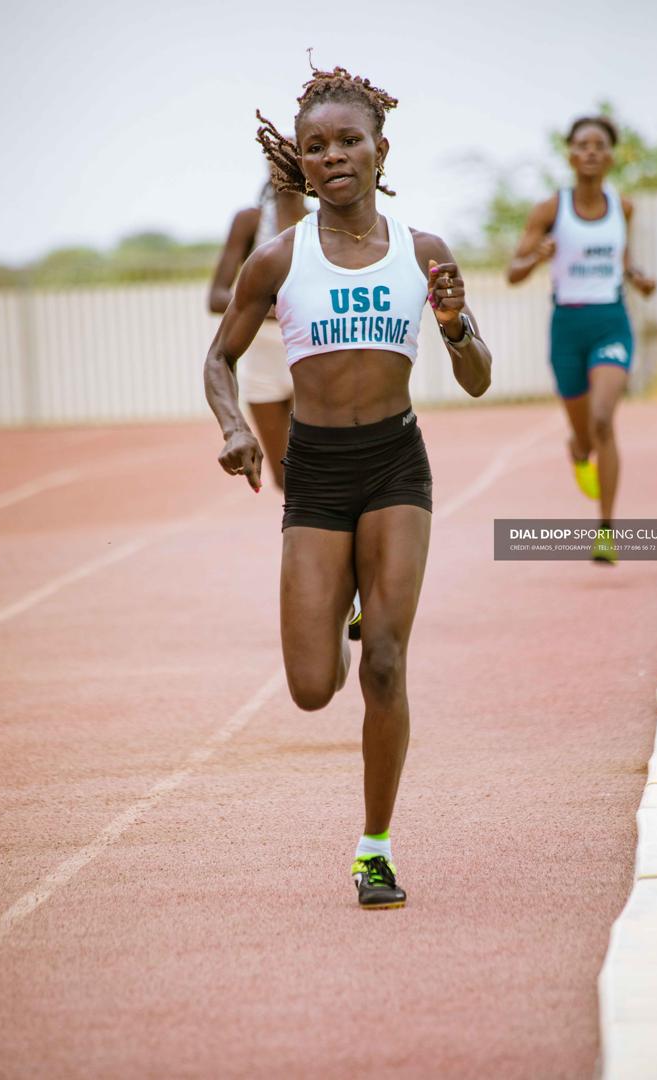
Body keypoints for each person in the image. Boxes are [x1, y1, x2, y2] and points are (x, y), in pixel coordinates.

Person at [204, 60, 491, 908]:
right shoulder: (276, 262)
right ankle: (342, 608)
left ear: (379, 149)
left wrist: (453, 323)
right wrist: (232, 427)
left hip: (397, 465)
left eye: (347, 141)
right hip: (319, 476)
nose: (332, 156)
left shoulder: (424, 252)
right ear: (299, 160)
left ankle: (375, 848)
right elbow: (220, 359)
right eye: (314, 146)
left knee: (387, 667)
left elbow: (475, 376)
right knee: (311, 688)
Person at [507, 116, 656, 563]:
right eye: (582, 145)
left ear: (610, 156)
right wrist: (537, 256)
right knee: (585, 436)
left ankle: (606, 531)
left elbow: (621, 255)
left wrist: (636, 275)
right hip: (566, 327)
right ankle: (578, 450)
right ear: (570, 155)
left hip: (611, 322)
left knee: (604, 418)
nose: (590, 151)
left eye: (599, 145)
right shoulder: (550, 210)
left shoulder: (623, 207)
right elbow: (512, 273)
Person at [208, 177, 306, 488]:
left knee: (322, 464)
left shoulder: (321, 222)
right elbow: (216, 298)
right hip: (262, 358)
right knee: (284, 476)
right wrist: (271, 305)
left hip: (307, 354)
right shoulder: (251, 221)